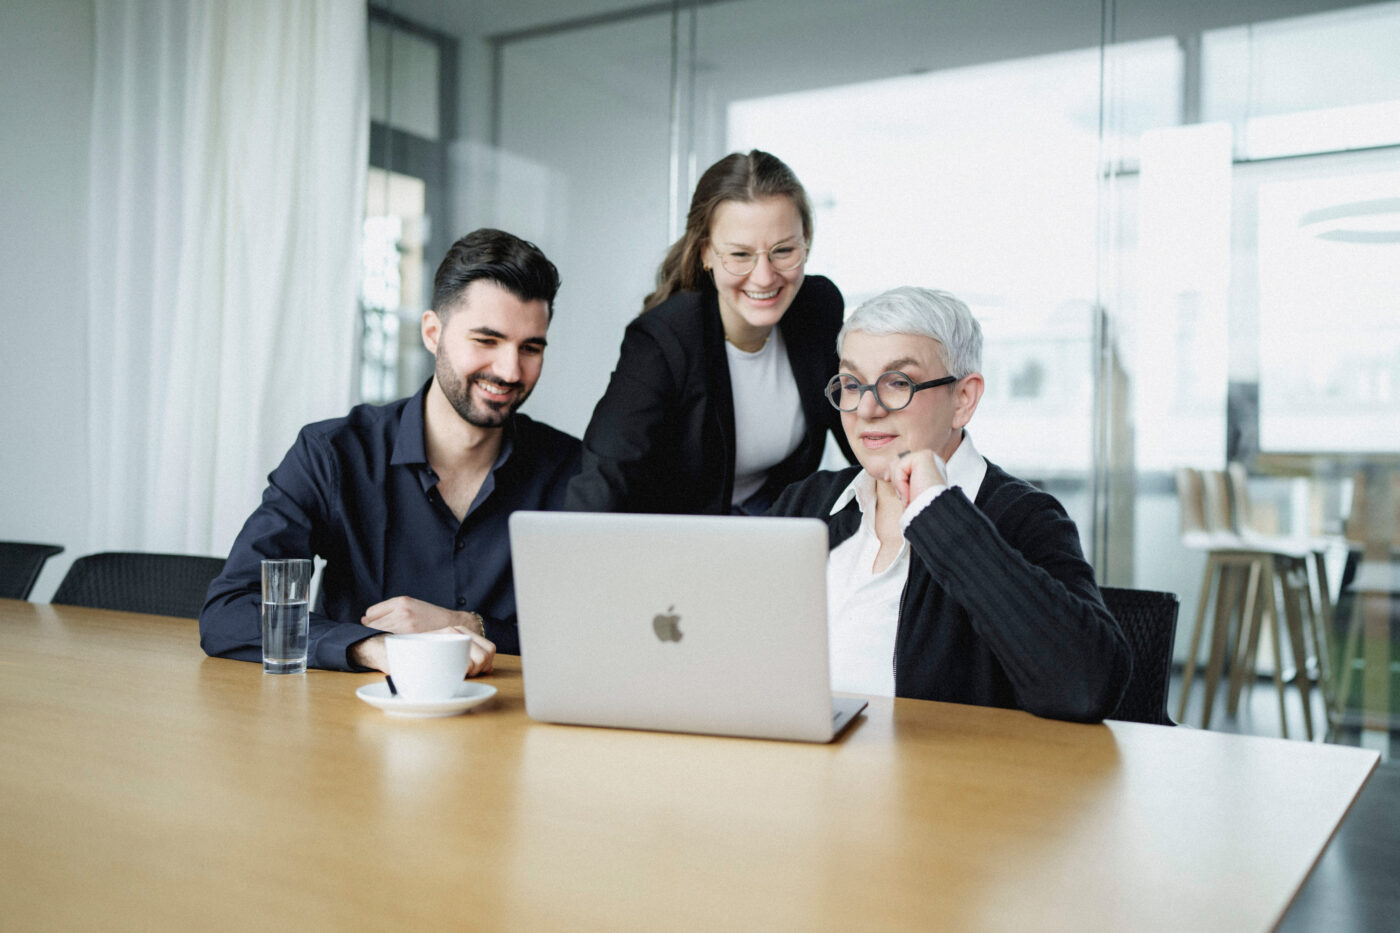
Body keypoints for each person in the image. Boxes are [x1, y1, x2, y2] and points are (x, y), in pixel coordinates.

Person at [200, 228, 581, 673]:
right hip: (351, 727)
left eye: (530, 348)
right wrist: (373, 647)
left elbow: (601, 633)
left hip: (515, 728)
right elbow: (229, 613)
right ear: (433, 333)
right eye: (486, 340)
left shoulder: (575, 473)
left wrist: (470, 625)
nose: (510, 369)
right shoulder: (334, 454)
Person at [768, 286, 1131, 722]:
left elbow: (1085, 687)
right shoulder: (810, 501)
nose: (866, 408)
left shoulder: (1021, 516)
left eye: (898, 383)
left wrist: (939, 513)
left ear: (963, 399)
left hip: (939, 783)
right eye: (850, 383)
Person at [566, 149, 852, 515]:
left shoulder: (818, 308)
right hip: (680, 538)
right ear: (706, 254)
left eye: (783, 250)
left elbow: (863, 429)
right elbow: (607, 476)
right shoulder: (664, 339)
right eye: (740, 254)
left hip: (776, 526)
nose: (764, 277)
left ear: (806, 241)